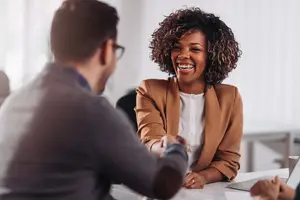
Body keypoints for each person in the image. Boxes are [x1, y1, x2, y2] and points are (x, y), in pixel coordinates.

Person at [0, 1, 189, 199]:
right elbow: (163, 184)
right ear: (107, 49)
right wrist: (176, 148)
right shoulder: (91, 110)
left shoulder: (15, 102)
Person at [136, 7, 243, 189]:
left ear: (211, 55)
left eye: (195, 49)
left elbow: (229, 161)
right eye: (176, 47)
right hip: (157, 186)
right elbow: (149, 141)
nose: (183, 55)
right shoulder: (150, 90)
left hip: (202, 193)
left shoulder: (229, 97)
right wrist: (163, 146)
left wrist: (202, 177)